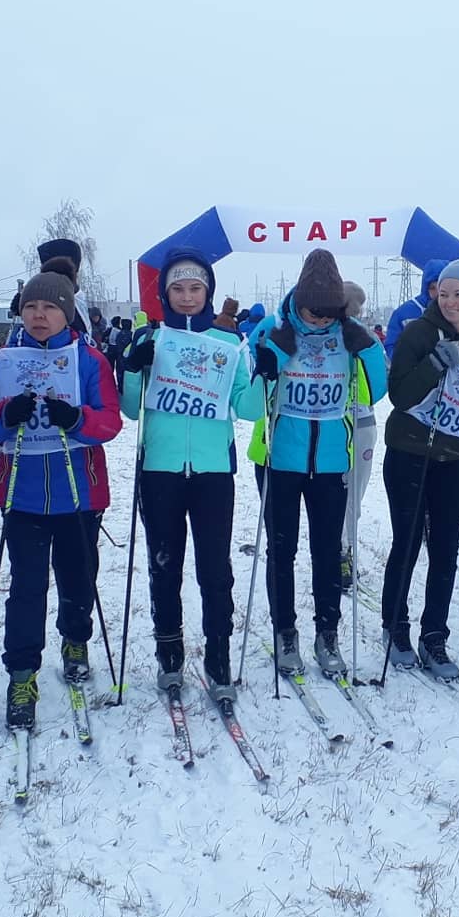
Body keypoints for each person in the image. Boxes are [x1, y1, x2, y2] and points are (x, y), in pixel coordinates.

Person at [0, 257, 121, 729]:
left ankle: (75, 640)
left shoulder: (89, 359)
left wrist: (76, 419)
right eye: (31, 306)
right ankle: (21, 674)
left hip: (79, 491)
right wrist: (4, 416)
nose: (39, 314)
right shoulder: (1, 360)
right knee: (26, 586)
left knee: (78, 577)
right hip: (24, 493)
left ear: (66, 312)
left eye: (50, 307)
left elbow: (109, 421)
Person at [120, 249, 264, 698]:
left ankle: (218, 655)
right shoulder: (150, 337)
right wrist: (132, 367)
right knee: (164, 565)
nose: (186, 296)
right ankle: (169, 652)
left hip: (212, 472)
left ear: (208, 292)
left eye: (195, 288)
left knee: (215, 568)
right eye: (178, 288)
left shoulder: (228, 343)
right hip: (160, 469)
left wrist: (266, 376)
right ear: (165, 293)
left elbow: (247, 408)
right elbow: (131, 411)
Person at [247, 249, 387, 678]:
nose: (322, 320)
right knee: (281, 551)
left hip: (330, 461)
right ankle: (285, 633)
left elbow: (375, 392)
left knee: (327, 552)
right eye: (314, 312)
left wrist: (368, 349)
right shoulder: (272, 328)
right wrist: (271, 359)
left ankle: (327, 634)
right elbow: (248, 405)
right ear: (299, 301)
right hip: (279, 459)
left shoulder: (350, 333)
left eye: (330, 313)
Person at [380, 258, 459, 680]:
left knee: (446, 550)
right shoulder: (419, 332)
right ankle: (396, 628)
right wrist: (433, 364)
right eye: (443, 293)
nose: (449, 301)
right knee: (408, 543)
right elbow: (399, 395)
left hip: (455, 455)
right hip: (410, 450)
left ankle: (435, 637)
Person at [338, 281, 385, 590]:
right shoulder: (323, 336)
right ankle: (340, 551)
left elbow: (379, 386)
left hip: (361, 421)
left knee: (351, 494)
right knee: (344, 494)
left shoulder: (367, 340)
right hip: (338, 424)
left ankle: (345, 551)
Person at [384, 259, 447, 360]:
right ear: (425, 288)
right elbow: (391, 345)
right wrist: (405, 363)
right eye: (432, 288)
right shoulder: (404, 313)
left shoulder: (455, 310)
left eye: (442, 287)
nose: (437, 293)